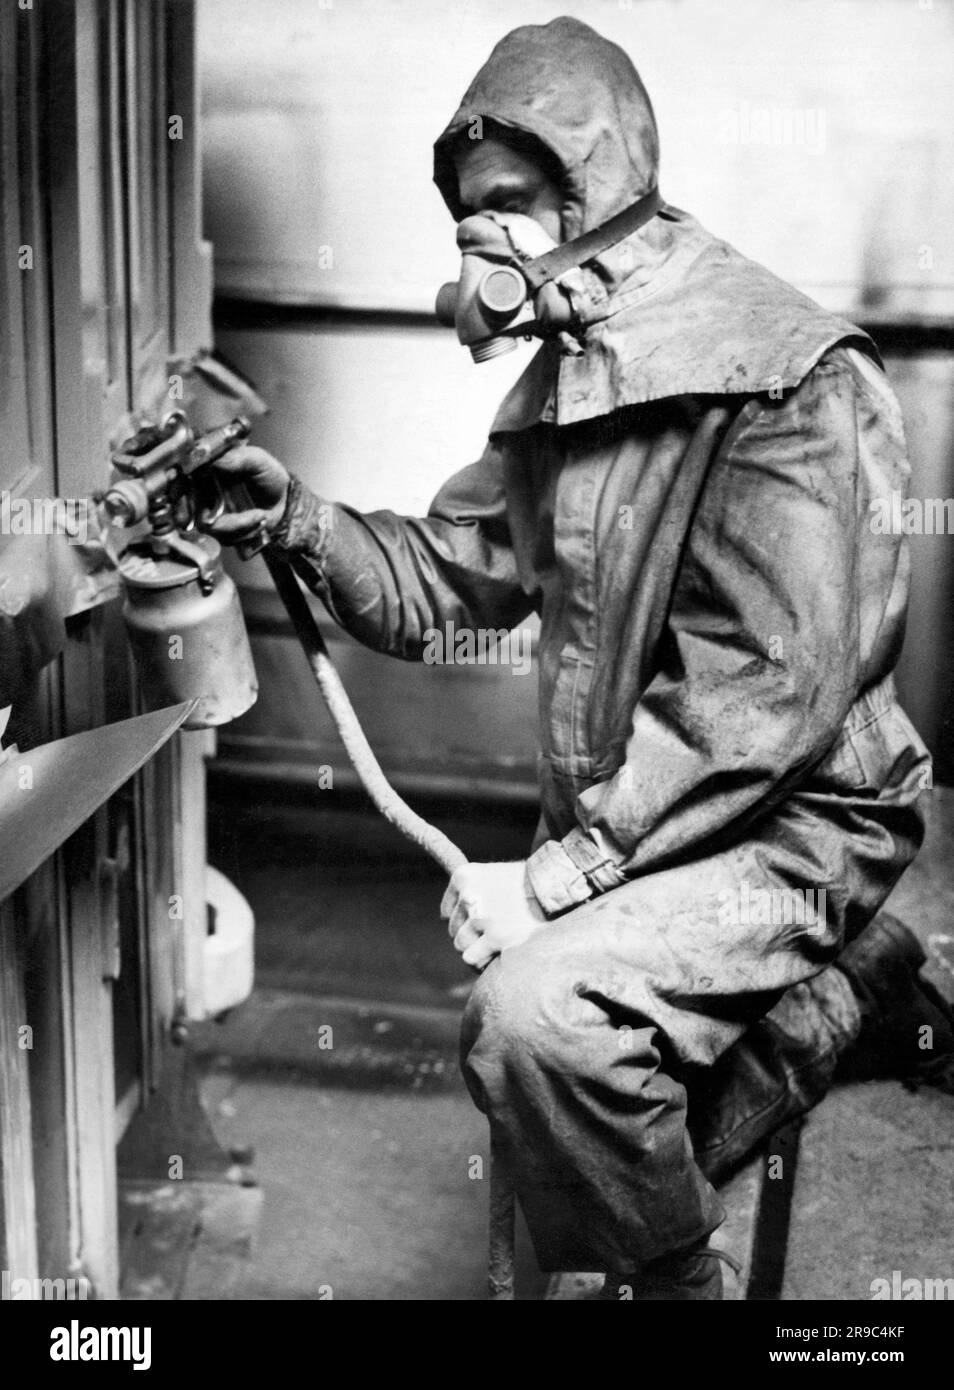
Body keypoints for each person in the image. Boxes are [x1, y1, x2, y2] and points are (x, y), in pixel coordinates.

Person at [205, 18, 953, 1298]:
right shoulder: (565, 390)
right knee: (596, 1130)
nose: (477, 244)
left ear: (593, 187)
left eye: (509, 203)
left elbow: (761, 704)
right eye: (464, 215)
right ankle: (843, 993)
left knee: (535, 1027)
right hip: (652, 822)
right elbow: (444, 582)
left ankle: (680, 1287)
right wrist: (294, 517)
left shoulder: (786, 380)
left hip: (792, 825)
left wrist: (556, 883)